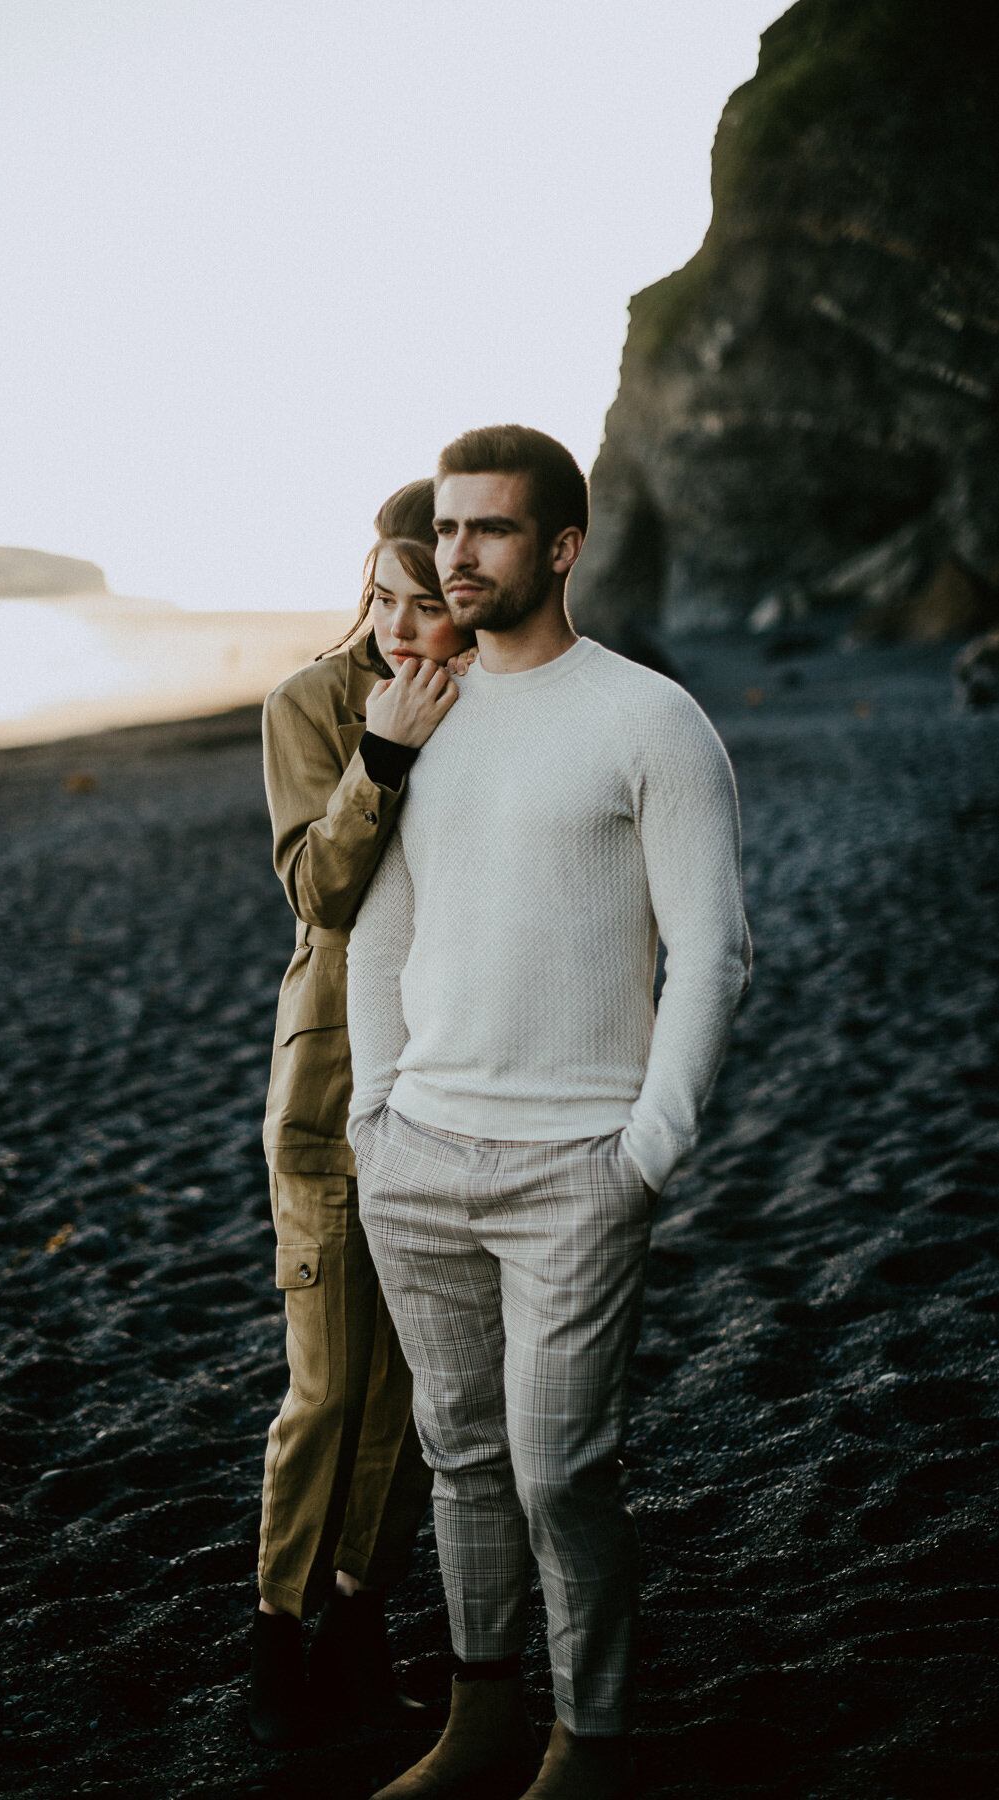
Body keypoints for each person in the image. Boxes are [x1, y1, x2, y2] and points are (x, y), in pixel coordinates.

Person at [346, 426, 752, 1799]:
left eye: (492, 531)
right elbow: (372, 932)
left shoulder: (649, 718)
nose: (456, 555)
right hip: (419, 1159)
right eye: (446, 529)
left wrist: (648, 1147)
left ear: (562, 548)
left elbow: (714, 950)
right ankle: (476, 1722)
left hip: (577, 1166)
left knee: (559, 1471)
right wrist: (375, 1116)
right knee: (459, 1464)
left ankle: (592, 1737)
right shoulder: (421, 708)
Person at [250, 480, 475, 1748]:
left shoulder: (487, 711)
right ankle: (277, 1634)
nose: (398, 626)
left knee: (411, 1399)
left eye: (427, 604)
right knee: (330, 1390)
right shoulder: (307, 707)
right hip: (330, 1095)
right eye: (382, 596)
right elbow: (319, 892)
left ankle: (356, 1618)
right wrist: (383, 751)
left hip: (443, 1086)